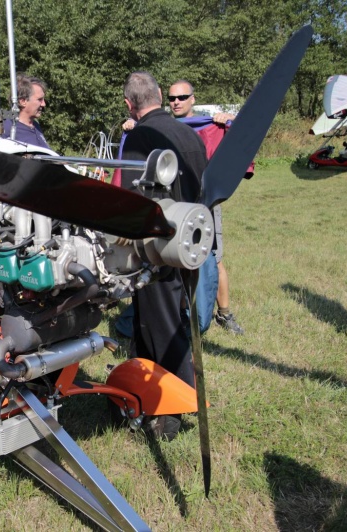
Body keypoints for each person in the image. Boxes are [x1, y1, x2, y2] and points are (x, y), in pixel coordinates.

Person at [120, 72, 207, 414]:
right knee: (172, 316)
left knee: (162, 324)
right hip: (190, 240)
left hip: (159, 248)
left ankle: (176, 403)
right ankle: (142, 383)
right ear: (158, 93)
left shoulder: (141, 138)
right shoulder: (190, 133)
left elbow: (133, 200)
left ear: (129, 104)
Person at [168, 79, 251, 335]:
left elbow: (242, 133)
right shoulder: (166, 128)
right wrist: (131, 124)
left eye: (182, 97)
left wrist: (229, 121)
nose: (176, 102)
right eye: (172, 98)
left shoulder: (209, 125)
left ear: (193, 99)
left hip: (204, 204)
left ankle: (224, 314)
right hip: (175, 205)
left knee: (213, 258)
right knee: (175, 260)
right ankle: (183, 313)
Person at [2, 74, 51, 150]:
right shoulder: (7, 127)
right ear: (23, 101)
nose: (44, 104)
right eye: (40, 99)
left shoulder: (35, 125)